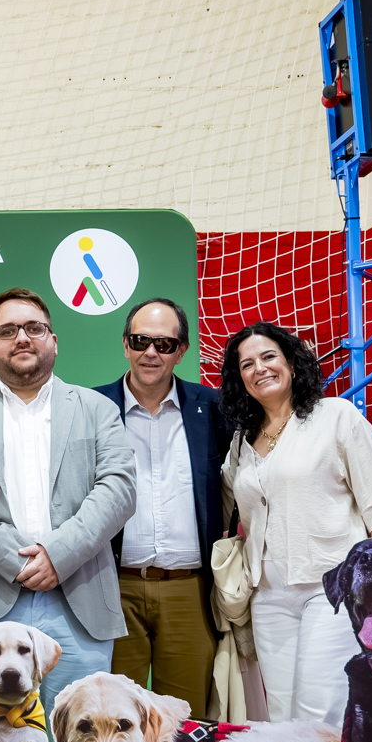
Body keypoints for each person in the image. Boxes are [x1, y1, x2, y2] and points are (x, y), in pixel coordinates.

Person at [0, 287, 136, 718]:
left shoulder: (97, 408)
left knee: (82, 741)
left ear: (53, 340)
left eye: (34, 328)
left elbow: (119, 486)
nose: (22, 337)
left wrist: (59, 555)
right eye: (8, 330)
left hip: (80, 598)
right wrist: (15, 560)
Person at [219, 321, 372, 726]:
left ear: (292, 363)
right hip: (267, 597)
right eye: (246, 364)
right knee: (282, 714)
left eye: (269, 357)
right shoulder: (241, 440)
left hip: (332, 589)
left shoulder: (336, 416)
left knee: (320, 709)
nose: (259, 368)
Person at [92, 297, 231, 714]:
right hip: (112, 586)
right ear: (125, 344)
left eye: (165, 344)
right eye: (141, 340)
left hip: (189, 590)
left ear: (182, 350)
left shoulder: (215, 408)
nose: (151, 352)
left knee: (184, 722)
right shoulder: (91, 407)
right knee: (111, 718)